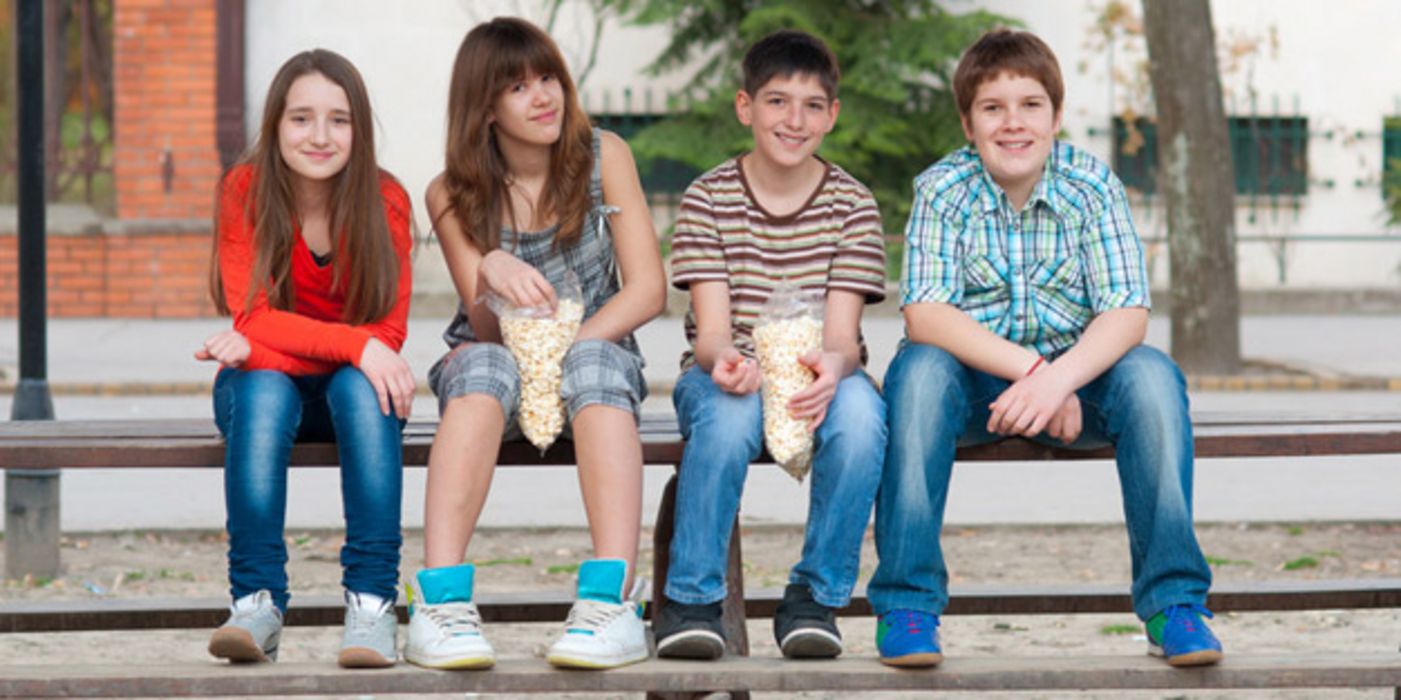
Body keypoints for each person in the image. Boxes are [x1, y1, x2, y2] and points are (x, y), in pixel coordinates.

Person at [867, 28, 1223, 668]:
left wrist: (1059, 381)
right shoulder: (943, 190)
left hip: (1081, 388)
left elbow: (1125, 312)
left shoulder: (1091, 186)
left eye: (1030, 105)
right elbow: (925, 314)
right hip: (974, 390)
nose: (1013, 124)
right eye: (992, 108)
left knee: (1152, 378)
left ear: (1057, 116)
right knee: (917, 373)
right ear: (967, 123)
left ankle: (1176, 605)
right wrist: (1034, 372)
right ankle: (908, 606)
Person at [403, 17, 666, 671]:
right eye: (517, 87)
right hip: (498, 369)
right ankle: (440, 607)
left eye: (547, 77)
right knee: (482, 364)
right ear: (484, 109)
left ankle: (611, 605)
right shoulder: (451, 193)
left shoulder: (605, 157)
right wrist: (489, 263)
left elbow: (646, 291)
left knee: (596, 358)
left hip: (592, 360)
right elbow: (486, 326)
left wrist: (566, 347)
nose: (542, 95)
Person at [654, 29, 888, 661]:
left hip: (821, 372)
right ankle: (692, 600)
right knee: (727, 423)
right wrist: (728, 363)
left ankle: (815, 596)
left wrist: (831, 369)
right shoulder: (708, 198)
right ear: (745, 107)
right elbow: (711, 335)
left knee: (865, 418)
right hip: (724, 374)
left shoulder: (852, 205)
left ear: (833, 116)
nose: (795, 119)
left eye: (813, 105)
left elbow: (842, 339)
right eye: (778, 101)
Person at [195, 49, 415, 668]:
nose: (320, 136)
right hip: (265, 394)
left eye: (339, 120)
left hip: (352, 395)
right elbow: (256, 316)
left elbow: (386, 332)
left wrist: (266, 344)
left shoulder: (387, 200)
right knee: (262, 386)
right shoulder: (244, 189)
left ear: (359, 128)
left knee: (358, 388)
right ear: (275, 125)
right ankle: (256, 603)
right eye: (301, 119)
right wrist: (348, 344)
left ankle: (372, 605)